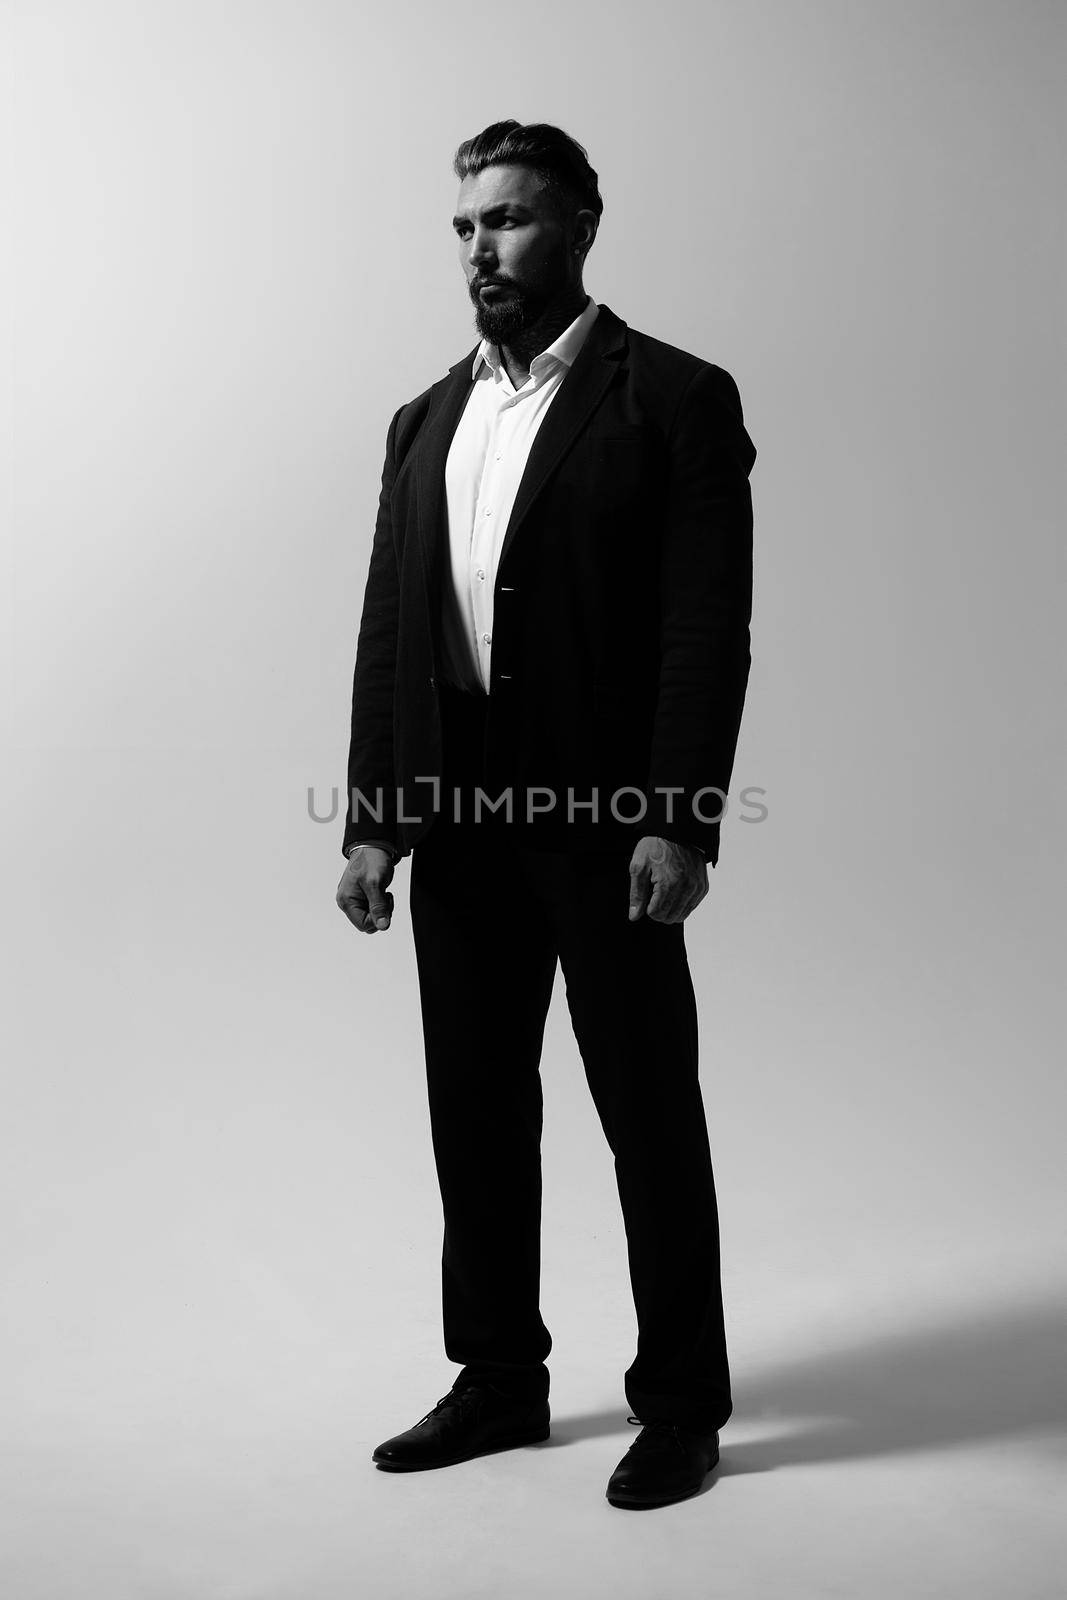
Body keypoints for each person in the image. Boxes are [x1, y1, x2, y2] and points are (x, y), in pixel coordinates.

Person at [335, 119, 756, 1510]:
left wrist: (679, 819)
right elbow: (394, 631)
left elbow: (707, 626)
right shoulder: (423, 421)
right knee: (476, 1113)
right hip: (455, 829)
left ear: (580, 224)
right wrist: (374, 819)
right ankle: (501, 1381)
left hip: (604, 819)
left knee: (647, 1111)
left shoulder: (672, 400)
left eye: (508, 220)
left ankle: (683, 1402)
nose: (481, 248)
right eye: (464, 224)